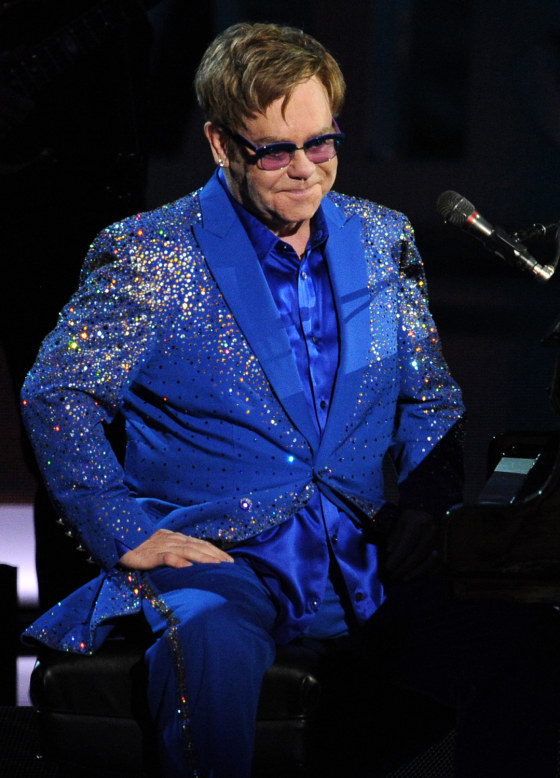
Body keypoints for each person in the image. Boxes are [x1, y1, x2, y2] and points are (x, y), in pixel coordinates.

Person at [21, 21, 560, 778]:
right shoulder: (150, 252)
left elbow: (431, 400)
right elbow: (57, 392)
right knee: (209, 641)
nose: (305, 168)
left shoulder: (381, 237)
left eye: (322, 143)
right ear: (219, 145)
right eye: (275, 150)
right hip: (222, 563)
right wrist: (123, 531)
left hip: (368, 563)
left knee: (521, 638)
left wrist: (424, 513)